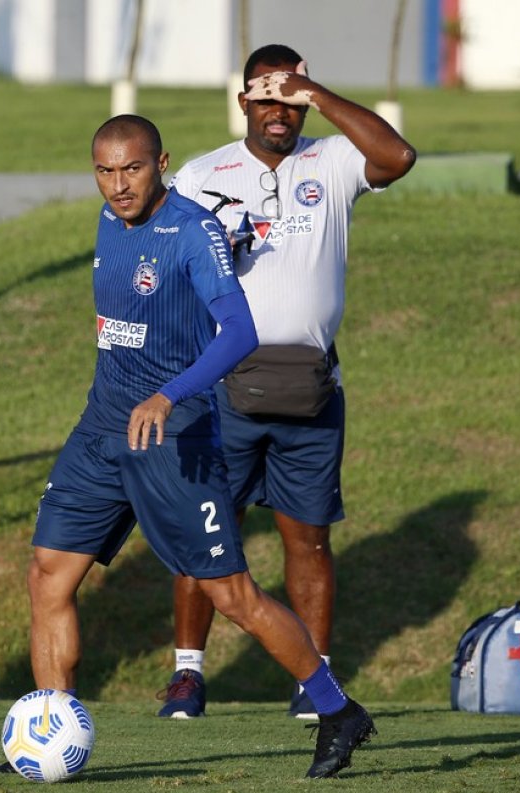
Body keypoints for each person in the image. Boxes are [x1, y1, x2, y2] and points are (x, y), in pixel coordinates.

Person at [0, 115, 374, 779]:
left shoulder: (193, 232)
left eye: (132, 169)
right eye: (105, 172)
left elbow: (238, 332)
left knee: (233, 597)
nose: (118, 185)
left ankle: (340, 712)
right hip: (100, 431)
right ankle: (51, 737)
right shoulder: (111, 222)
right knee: (49, 573)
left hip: (175, 436)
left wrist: (168, 396)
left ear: (161, 162)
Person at [159, 43, 416, 720]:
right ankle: (187, 674)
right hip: (220, 385)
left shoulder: (329, 159)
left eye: (292, 96)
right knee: (208, 532)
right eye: (267, 96)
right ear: (243, 101)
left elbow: (398, 159)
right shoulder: (199, 173)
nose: (281, 110)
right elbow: (164, 273)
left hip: (309, 386)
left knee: (308, 538)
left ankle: (315, 679)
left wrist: (319, 93)